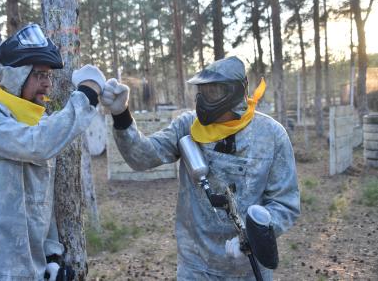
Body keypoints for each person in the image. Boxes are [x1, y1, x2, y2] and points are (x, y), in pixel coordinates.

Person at [100, 56, 300, 280]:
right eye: (202, 91)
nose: (203, 100)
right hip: (196, 266)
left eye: (213, 92)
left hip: (248, 268)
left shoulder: (271, 135)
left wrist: (254, 238)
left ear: (234, 93)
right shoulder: (187, 126)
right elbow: (142, 157)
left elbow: (285, 203)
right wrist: (121, 115)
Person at [0, 23, 106, 281]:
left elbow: (40, 199)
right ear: (15, 75)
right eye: (39, 75)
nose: (47, 85)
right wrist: (87, 95)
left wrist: (50, 256)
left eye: (48, 76)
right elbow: (34, 144)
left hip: (24, 270)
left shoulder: (38, 124)